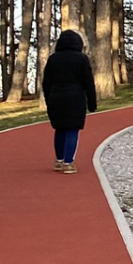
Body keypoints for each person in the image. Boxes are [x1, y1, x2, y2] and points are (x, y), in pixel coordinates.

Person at [41, 29, 98, 175]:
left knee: (59, 128)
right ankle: (68, 162)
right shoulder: (81, 59)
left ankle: (59, 160)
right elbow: (88, 83)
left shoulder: (53, 59)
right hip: (75, 97)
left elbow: (46, 82)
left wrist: (48, 100)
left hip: (56, 97)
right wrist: (92, 103)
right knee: (72, 129)